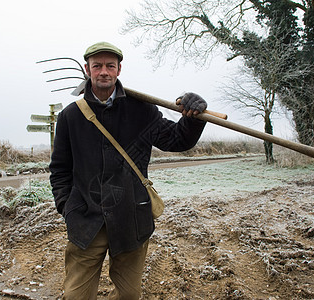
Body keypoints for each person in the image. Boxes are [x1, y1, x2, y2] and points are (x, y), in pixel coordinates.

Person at [49, 41, 207, 299]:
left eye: (110, 66)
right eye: (97, 66)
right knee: (76, 295)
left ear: (119, 70)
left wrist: (192, 117)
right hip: (86, 220)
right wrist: (68, 207)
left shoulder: (141, 110)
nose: (103, 72)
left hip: (132, 218)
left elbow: (177, 140)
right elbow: (59, 169)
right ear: (88, 70)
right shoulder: (71, 116)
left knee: (129, 296)